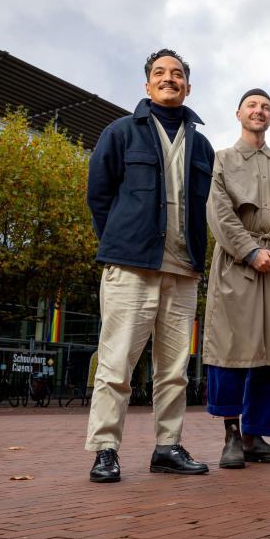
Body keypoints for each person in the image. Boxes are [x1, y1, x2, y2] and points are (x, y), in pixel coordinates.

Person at [85, 48, 214, 482]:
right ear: (146, 85)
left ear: (188, 86)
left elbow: (205, 207)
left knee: (174, 369)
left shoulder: (202, 145)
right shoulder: (121, 132)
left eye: (177, 74)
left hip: (183, 270)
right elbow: (99, 196)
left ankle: (167, 447)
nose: (169, 79)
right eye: (160, 73)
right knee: (116, 363)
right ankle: (105, 449)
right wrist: (122, 242)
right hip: (130, 267)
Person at [203, 88, 270, 469]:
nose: (258, 111)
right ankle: (231, 434)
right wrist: (249, 251)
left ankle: (255, 437)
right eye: (252, 106)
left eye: (265, 107)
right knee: (231, 350)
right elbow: (219, 212)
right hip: (236, 265)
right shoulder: (222, 160)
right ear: (238, 114)